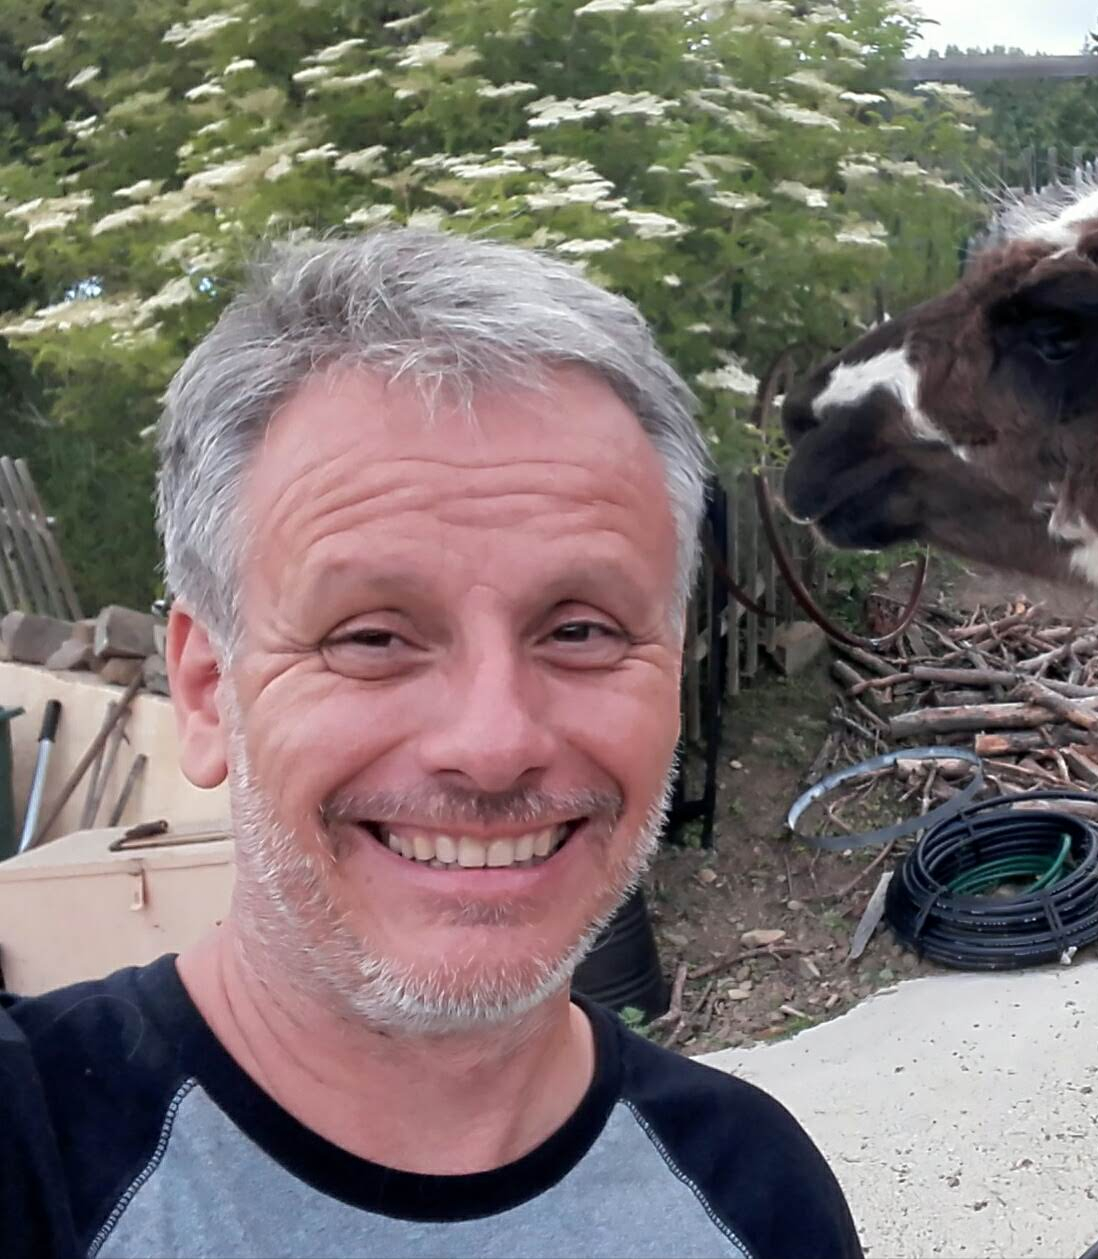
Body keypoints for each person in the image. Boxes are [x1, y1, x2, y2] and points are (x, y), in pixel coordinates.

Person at [0, 227, 864, 1259]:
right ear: (205, 691)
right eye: (371, 636)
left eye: (580, 630)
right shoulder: (32, 1149)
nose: (494, 743)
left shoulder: (757, 1196)